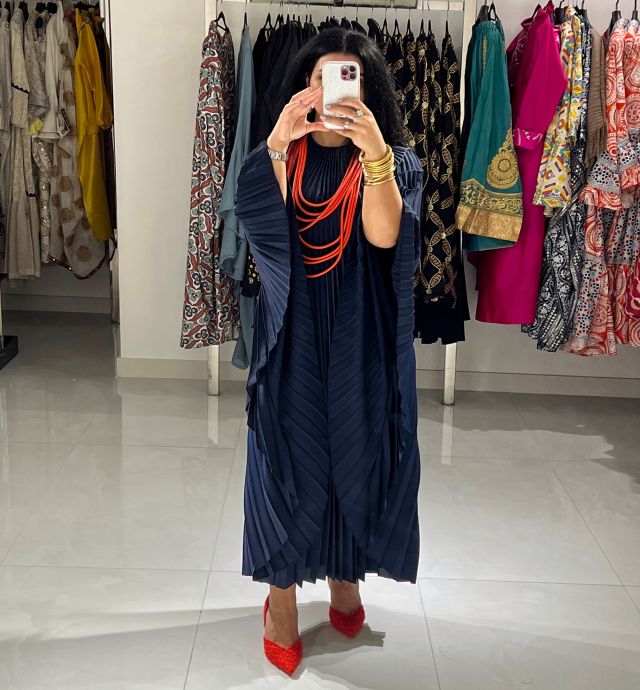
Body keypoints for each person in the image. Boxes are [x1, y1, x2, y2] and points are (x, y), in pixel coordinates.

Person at [235, 27, 423, 676]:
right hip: (292, 331)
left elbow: (384, 235)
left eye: (346, 78)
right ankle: (282, 602)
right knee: (285, 461)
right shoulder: (278, 156)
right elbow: (264, 229)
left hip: (360, 333)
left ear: (368, 90)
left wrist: (375, 156)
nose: (331, 91)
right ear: (302, 86)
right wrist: (278, 145)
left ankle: (345, 576)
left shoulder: (395, 161)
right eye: (318, 78)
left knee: (358, 450)